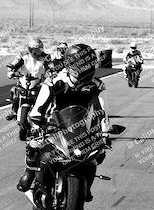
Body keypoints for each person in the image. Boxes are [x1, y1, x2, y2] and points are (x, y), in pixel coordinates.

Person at [16, 43, 110, 201]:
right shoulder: (56, 81)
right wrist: (37, 121)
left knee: (99, 151)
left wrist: (105, 130)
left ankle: (85, 186)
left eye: (89, 64)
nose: (86, 68)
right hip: (55, 124)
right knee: (34, 143)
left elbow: (101, 109)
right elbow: (39, 105)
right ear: (71, 64)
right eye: (82, 64)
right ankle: (29, 173)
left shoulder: (96, 85)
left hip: (82, 127)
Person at [6, 38, 46, 121]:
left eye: (39, 50)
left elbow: (52, 65)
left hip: (38, 81)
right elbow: (15, 64)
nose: (36, 52)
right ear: (30, 49)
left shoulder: (45, 57)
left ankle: (46, 114)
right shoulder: (24, 56)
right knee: (14, 90)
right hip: (25, 79)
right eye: (34, 50)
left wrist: (53, 72)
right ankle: (14, 110)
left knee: (48, 93)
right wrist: (11, 71)